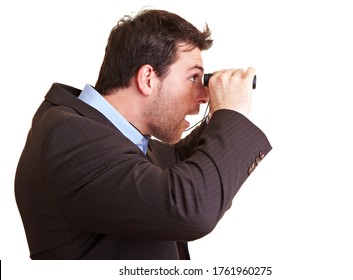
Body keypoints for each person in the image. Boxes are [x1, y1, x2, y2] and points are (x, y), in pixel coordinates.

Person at [14, 9, 272, 260]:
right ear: (148, 78)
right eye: (194, 78)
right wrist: (230, 113)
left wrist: (223, 108)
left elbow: (183, 160)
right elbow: (191, 208)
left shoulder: (120, 139)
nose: (203, 96)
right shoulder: (69, 135)